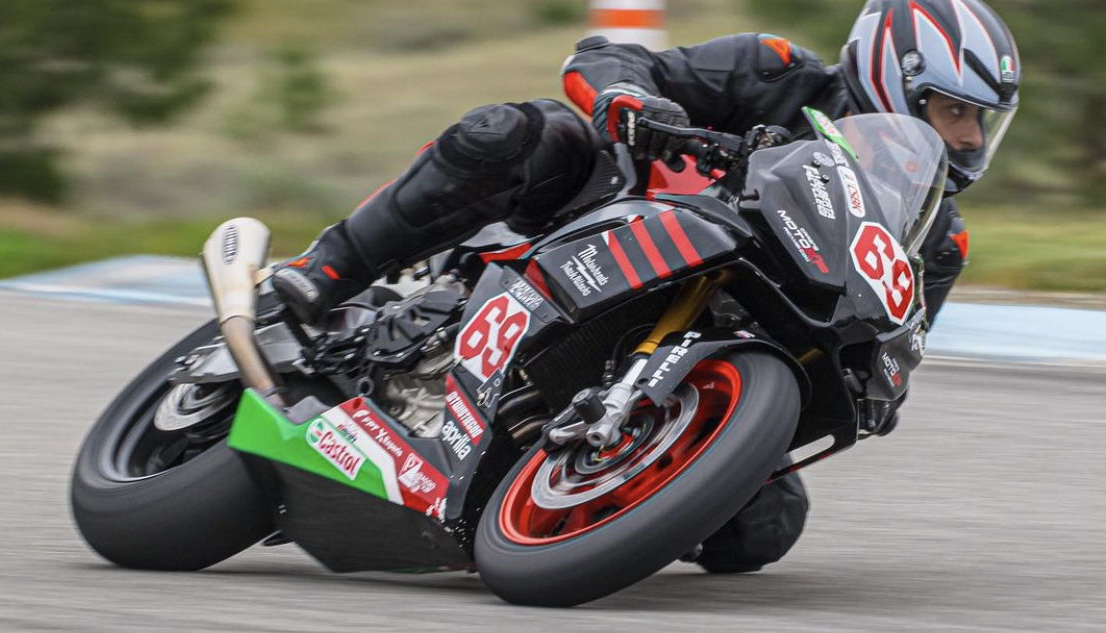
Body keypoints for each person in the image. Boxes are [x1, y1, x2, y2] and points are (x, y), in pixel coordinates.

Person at [271, 0, 1020, 573]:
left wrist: (878, 382)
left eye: (982, 123)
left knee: (763, 529)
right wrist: (630, 99)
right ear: (892, 76)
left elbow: (888, 347)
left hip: (717, 340)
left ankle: (585, 493)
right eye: (954, 111)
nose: (968, 139)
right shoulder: (776, 72)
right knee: (521, 133)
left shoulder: (937, 239)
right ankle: (323, 273)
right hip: (604, 226)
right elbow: (603, 58)